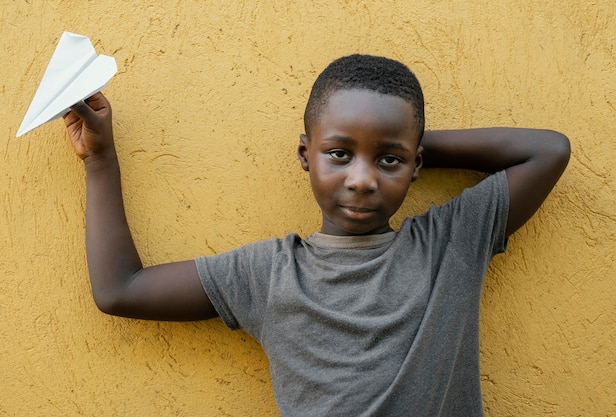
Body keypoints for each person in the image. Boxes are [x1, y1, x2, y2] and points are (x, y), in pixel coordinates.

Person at [64, 54, 570, 416]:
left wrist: (407, 141)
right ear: (306, 155)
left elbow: (548, 151)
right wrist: (102, 159)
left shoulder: (450, 244)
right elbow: (120, 289)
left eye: (388, 160)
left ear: (417, 165)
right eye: (339, 153)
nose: (362, 178)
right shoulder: (267, 275)